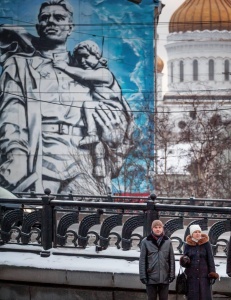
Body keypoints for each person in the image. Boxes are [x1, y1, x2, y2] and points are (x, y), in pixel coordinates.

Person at [0, 0, 133, 194]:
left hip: (83, 161)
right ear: (38, 27)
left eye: (59, 18)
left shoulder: (87, 67)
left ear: (70, 27)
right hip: (41, 160)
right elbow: (11, 118)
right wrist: (16, 155)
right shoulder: (19, 66)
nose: (51, 22)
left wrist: (114, 130)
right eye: (45, 18)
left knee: (88, 220)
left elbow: (116, 112)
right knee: (38, 219)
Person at [53, 39, 124, 176]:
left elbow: (84, 75)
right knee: (99, 140)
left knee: (88, 105)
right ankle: (99, 165)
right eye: (79, 58)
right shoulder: (95, 71)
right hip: (102, 110)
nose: (82, 61)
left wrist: (64, 67)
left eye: (86, 56)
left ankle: (91, 134)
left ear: (96, 55)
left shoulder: (105, 73)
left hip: (111, 108)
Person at [180, 224, 219, 300]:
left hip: (204, 277)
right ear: (191, 234)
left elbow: (210, 259)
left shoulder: (206, 244)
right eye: (195, 232)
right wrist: (184, 260)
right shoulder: (188, 245)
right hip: (192, 277)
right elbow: (184, 263)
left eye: (199, 232)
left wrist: (212, 273)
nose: (198, 234)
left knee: (204, 296)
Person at [139, 219, 175, 300]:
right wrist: (143, 276)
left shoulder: (168, 241)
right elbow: (142, 260)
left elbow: (171, 259)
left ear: (162, 228)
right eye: (155, 227)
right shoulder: (146, 241)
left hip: (164, 277)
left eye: (159, 227)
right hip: (150, 277)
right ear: (152, 228)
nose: (158, 229)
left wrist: (172, 274)